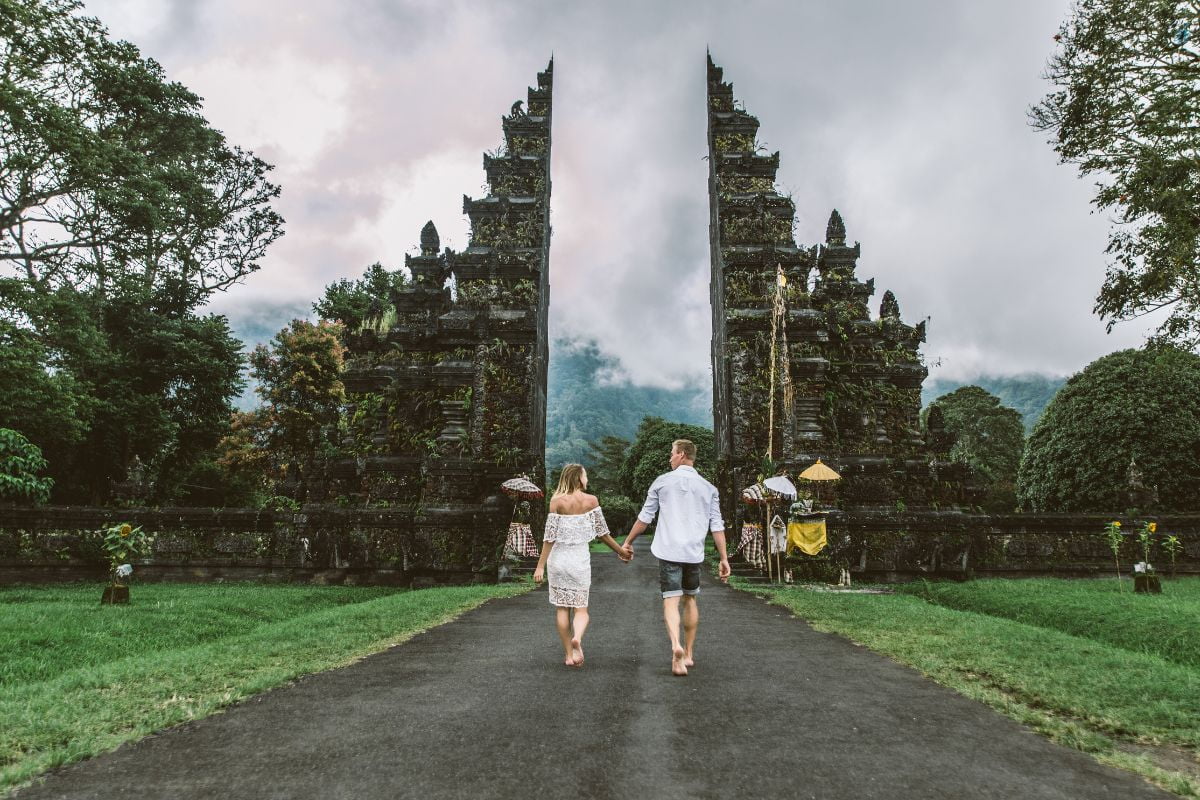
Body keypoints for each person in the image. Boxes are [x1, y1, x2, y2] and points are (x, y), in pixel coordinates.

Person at [622, 439, 730, 676]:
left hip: (669, 550)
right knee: (690, 600)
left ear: (681, 454)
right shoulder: (709, 488)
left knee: (671, 600)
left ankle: (675, 647)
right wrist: (724, 558)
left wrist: (627, 542)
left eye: (672, 453)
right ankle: (689, 654)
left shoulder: (662, 482)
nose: (670, 458)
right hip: (693, 552)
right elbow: (717, 526)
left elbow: (645, 518)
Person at [533, 464, 631, 667]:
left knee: (562, 609)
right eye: (585, 476)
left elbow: (549, 537)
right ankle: (577, 636)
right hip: (579, 560)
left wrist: (540, 566)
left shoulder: (556, 501)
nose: (587, 479)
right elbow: (603, 533)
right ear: (578, 478)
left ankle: (569, 654)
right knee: (581, 609)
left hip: (558, 561)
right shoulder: (591, 500)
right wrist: (621, 551)